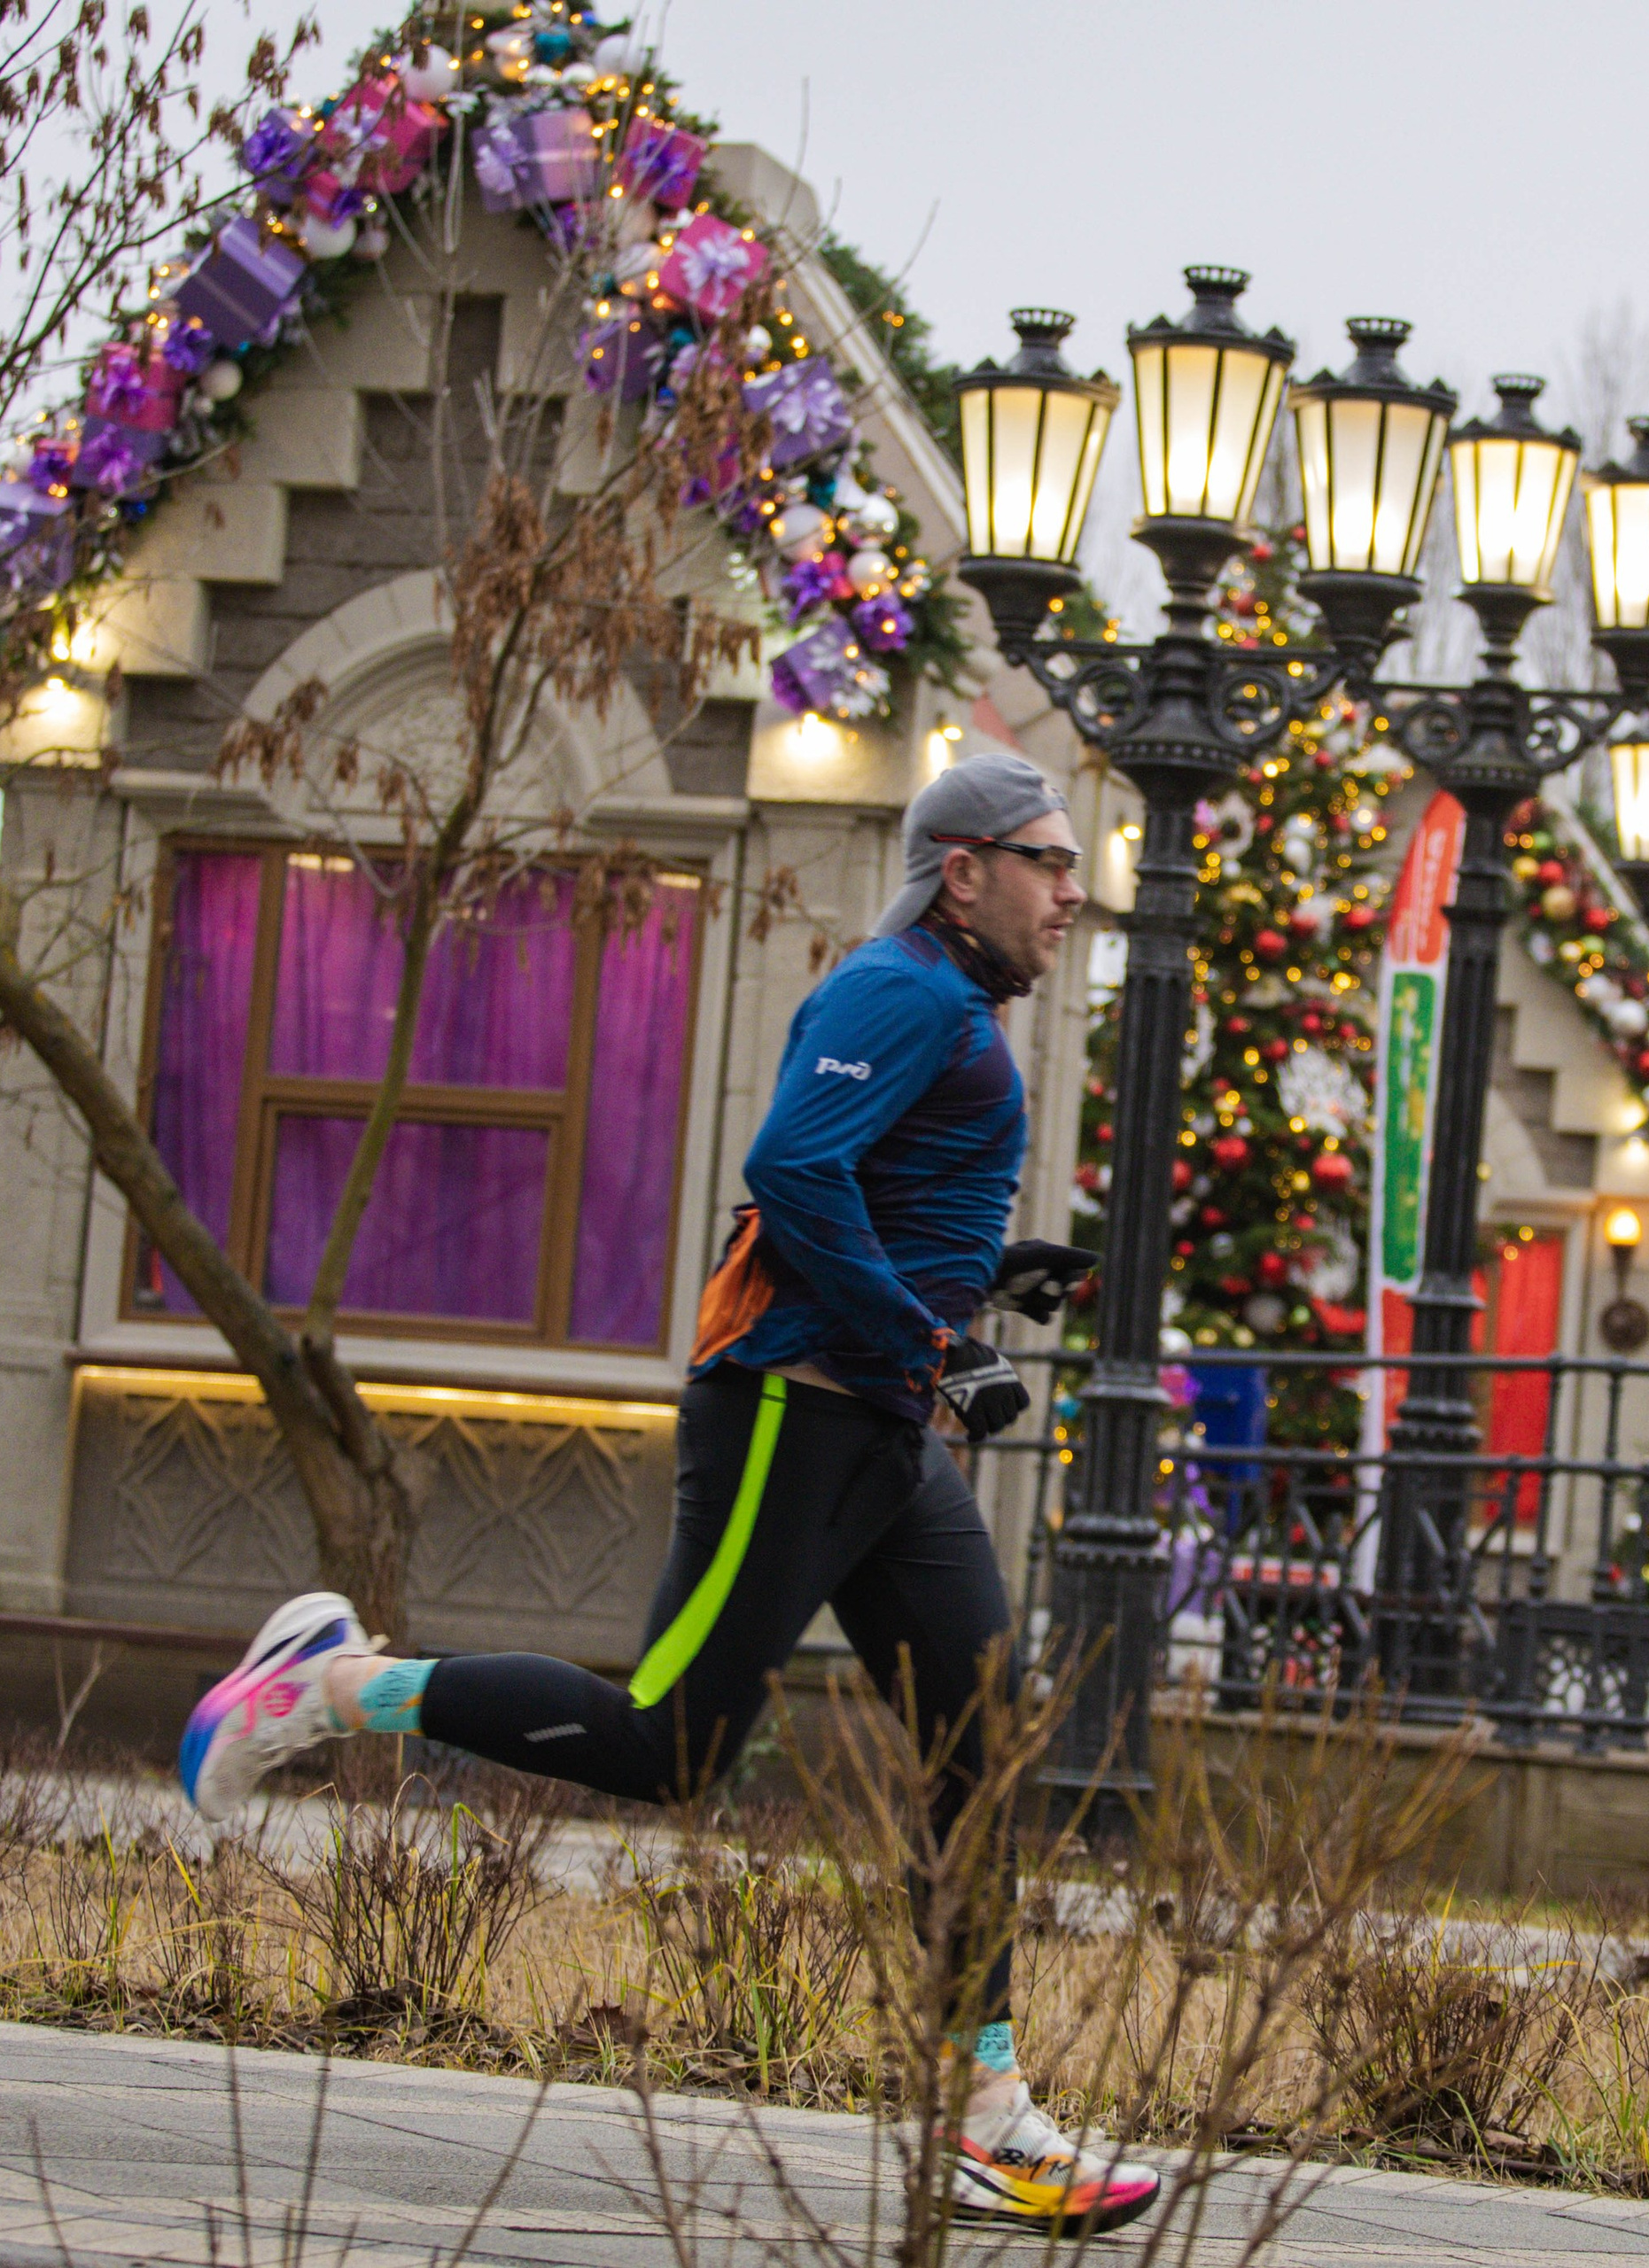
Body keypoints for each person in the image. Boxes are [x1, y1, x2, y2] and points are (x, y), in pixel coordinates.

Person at [176, 752, 1160, 2237]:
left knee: (978, 1746)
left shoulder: (950, 1008)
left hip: (881, 1434)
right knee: (674, 1747)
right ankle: (332, 1687)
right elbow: (792, 1166)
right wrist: (930, 1338)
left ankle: (985, 2111)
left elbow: (855, 1190)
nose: (1072, 892)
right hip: (795, 1413)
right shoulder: (903, 991)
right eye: (1048, 861)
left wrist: (971, 1289)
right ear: (964, 871)